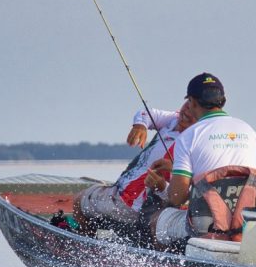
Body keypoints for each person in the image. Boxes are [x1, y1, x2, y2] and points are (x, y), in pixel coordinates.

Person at [146, 72, 256, 245]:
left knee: (158, 219)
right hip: (245, 222)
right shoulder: (248, 130)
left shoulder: (188, 136)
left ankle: (167, 262)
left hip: (206, 223)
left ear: (191, 102)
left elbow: (177, 197)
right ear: (223, 100)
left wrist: (161, 186)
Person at [73, 99, 195, 234]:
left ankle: (86, 240)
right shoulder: (174, 119)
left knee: (79, 200)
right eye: (188, 102)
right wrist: (140, 125)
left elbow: (182, 194)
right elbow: (147, 113)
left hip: (133, 202)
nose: (188, 110)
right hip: (126, 195)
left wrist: (162, 184)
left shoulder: (191, 142)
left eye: (195, 108)